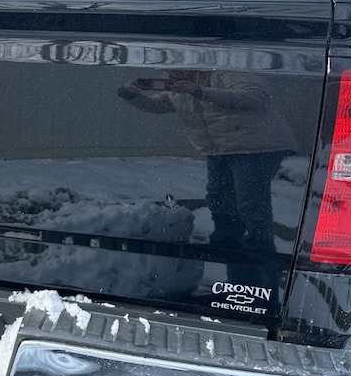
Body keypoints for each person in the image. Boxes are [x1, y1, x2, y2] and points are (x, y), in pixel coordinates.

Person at [118, 69, 296, 255]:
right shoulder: (178, 91)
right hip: (219, 150)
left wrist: (200, 92)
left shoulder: (226, 75)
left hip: (256, 147)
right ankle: (226, 245)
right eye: (169, 73)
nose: (171, 78)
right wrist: (129, 93)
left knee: (249, 202)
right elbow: (157, 105)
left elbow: (256, 97)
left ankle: (260, 251)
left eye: (177, 72)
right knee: (219, 199)